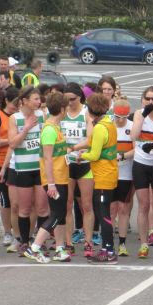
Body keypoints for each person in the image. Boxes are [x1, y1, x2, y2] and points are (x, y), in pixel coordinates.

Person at [24, 91, 71, 263]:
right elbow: (47, 159)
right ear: (63, 109)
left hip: (61, 177)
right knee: (57, 214)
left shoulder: (55, 127)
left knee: (61, 213)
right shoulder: (50, 130)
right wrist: (51, 184)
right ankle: (34, 247)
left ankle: (59, 248)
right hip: (54, 180)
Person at [8, 86, 49, 255]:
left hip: (39, 168)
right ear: (24, 101)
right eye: (36, 99)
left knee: (42, 208)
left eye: (39, 99)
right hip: (23, 169)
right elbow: (12, 144)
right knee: (24, 208)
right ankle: (24, 242)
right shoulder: (14, 118)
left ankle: (40, 242)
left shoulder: (42, 115)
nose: (39, 102)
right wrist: (25, 128)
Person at [78, 93, 118, 264]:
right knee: (103, 212)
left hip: (103, 175)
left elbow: (94, 154)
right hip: (108, 172)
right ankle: (105, 248)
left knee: (103, 214)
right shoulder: (109, 123)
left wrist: (81, 155)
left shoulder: (100, 127)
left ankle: (109, 251)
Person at [130, 86, 153, 258]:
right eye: (147, 99)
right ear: (143, 100)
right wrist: (143, 115)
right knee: (143, 205)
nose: (151, 102)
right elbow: (134, 135)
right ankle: (144, 244)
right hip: (141, 164)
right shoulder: (139, 114)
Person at [61, 83, 95, 259]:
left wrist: (73, 147)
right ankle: (68, 243)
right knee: (67, 205)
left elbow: (90, 139)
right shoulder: (62, 113)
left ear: (80, 97)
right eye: (66, 100)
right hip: (66, 165)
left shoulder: (86, 112)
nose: (69, 103)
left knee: (86, 205)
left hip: (83, 163)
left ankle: (88, 241)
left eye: (72, 99)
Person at [0, 88, 18, 246]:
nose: (18, 105)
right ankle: (7, 232)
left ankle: (19, 232)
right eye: (15, 103)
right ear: (7, 101)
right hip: (1, 162)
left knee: (19, 202)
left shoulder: (20, 116)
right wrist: (12, 141)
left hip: (18, 162)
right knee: (5, 201)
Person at [111, 99, 135, 257]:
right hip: (109, 174)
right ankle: (109, 242)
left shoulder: (132, 127)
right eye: (117, 116)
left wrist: (122, 155)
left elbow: (137, 149)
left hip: (126, 174)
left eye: (124, 117)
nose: (120, 120)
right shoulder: (108, 126)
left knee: (123, 209)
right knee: (111, 210)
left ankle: (122, 243)